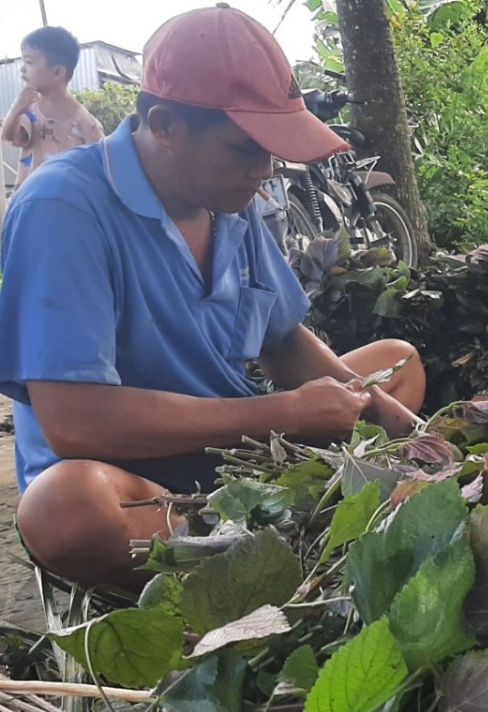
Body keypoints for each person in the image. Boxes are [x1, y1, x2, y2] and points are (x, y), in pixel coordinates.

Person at [0, 4, 426, 590]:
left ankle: (259, 536)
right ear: (166, 125)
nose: (266, 170)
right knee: (66, 512)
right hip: (141, 480)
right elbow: (75, 422)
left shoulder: (232, 202)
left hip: (240, 454)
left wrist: (403, 427)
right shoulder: (62, 208)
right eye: (245, 149)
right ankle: (247, 548)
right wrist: (281, 414)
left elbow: (283, 339)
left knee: (396, 363)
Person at [1, 26, 105, 190]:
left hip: (64, 202)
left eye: (29, 62)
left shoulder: (85, 123)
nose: (22, 68)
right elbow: (10, 137)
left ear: (58, 72)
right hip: (29, 198)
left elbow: (100, 167)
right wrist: (15, 111)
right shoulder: (29, 108)